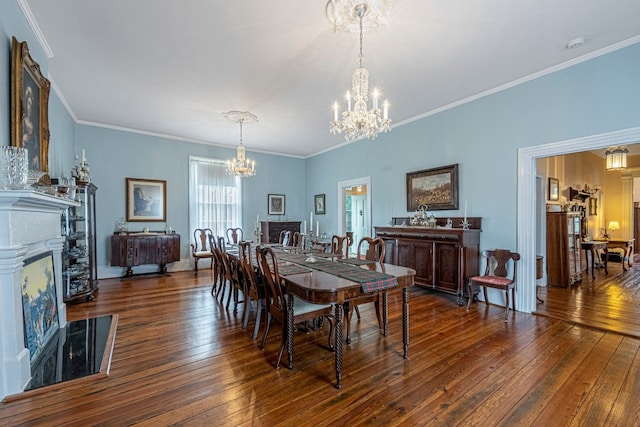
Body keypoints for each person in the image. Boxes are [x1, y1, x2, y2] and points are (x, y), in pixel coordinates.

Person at [22, 85, 40, 170]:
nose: (30, 107)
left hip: (32, 163)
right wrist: (22, 139)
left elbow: (37, 147)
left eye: (31, 104)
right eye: (29, 103)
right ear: (25, 104)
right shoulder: (21, 122)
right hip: (23, 161)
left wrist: (36, 157)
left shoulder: (34, 126)